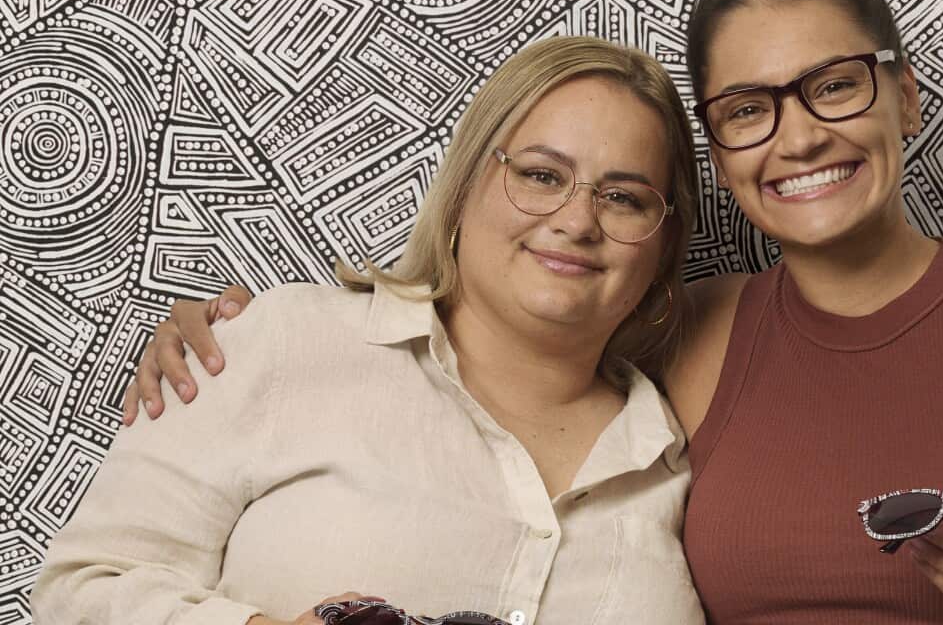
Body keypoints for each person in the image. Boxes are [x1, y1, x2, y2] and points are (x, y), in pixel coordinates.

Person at [118, 0, 943, 625]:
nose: (797, 137)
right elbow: (487, 347)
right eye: (748, 110)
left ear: (903, 93)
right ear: (715, 151)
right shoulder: (681, 337)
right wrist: (235, 333)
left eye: (835, 85)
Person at [31, 36, 706, 625]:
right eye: (540, 174)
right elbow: (78, 594)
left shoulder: (677, 457)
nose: (577, 219)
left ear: (664, 239)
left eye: (623, 197)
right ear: (466, 183)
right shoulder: (286, 340)